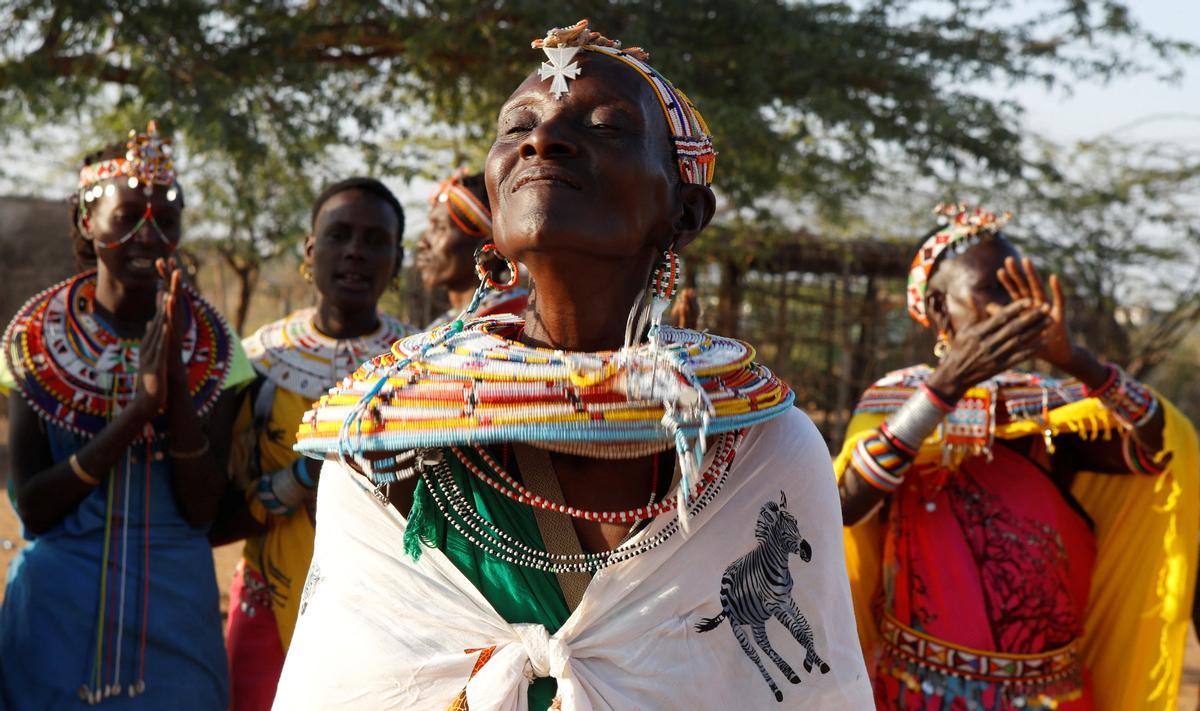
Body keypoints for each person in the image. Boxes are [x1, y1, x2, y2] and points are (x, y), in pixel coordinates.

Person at [274, 20, 873, 710]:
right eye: (516, 126)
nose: (542, 139)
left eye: (608, 126)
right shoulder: (390, 439)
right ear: (494, 201)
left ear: (685, 210)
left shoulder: (761, 449)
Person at [834, 204, 1199, 710]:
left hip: (1051, 697)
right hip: (919, 693)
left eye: (1018, 291)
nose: (1010, 309)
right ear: (940, 308)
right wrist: (946, 388)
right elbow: (846, 505)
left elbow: (1157, 448)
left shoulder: (1053, 408)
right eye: (991, 291)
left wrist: (1076, 361)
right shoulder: (897, 400)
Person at [0, 122, 254, 708]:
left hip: (175, 603)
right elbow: (34, 510)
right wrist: (139, 409)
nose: (148, 234)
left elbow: (201, 507)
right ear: (86, 224)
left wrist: (175, 394)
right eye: (127, 215)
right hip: (56, 602)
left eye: (164, 220)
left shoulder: (217, 348)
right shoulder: (34, 342)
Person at [215, 177, 415, 711]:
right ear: (310, 249)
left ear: (397, 261)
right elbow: (214, 511)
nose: (355, 250)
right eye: (339, 234)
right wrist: (298, 481)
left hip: (389, 612)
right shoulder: (257, 361)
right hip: (269, 597)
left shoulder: (421, 367)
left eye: (376, 240)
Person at [416, 168, 529, 328]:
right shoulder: (441, 326)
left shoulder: (521, 322)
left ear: (488, 250)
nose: (422, 243)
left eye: (440, 228)